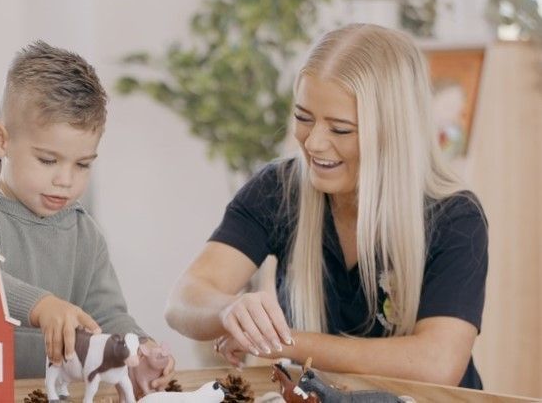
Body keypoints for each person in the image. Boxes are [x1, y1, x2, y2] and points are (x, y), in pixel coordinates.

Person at [164, 24, 488, 389]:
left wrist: (283, 341)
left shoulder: (455, 217)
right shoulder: (278, 190)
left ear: (392, 132)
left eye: (340, 129)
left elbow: (436, 363)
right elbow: (183, 300)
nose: (314, 143)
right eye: (303, 118)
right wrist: (227, 310)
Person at [0, 41, 175, 383]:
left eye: (82, 165)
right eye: (47, 160)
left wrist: (138, 349)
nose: (65, 180)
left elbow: (107, 315)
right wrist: (41, 305)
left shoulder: (84, 233)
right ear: (2, 141)